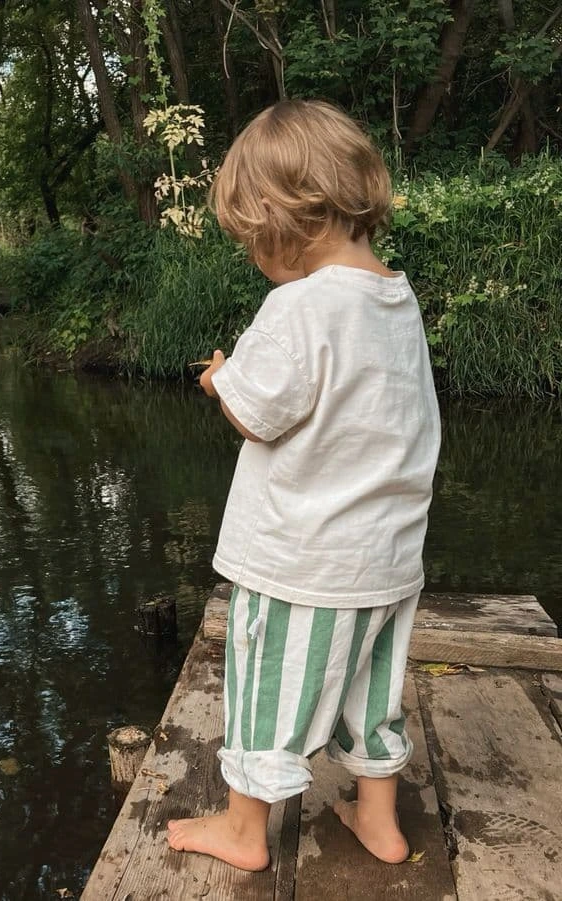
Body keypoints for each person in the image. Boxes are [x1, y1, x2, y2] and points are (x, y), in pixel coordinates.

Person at [166, 99, 441, 872]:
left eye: (255, 240)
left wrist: (222, 380)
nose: (255, 256)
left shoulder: (298, 305)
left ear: (289, 220)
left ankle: (245, 829)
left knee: (265, 690)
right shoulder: (396, 298)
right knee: (373, 691)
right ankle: (379, 820)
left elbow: (260, 416)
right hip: (387, 562)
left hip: (303, 561)